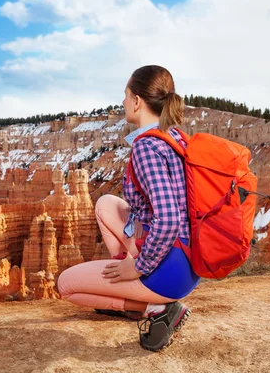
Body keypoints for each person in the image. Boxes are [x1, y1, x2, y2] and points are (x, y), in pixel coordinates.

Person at [57, 65, 200, 351]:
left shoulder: (147, 146)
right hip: (187, 260)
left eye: (126, 95)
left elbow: (169, 218)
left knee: (66, 285)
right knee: (105, 204)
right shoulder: (176, 138)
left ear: (137, 101)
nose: (122, 102)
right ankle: (131, 282)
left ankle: (155, 308)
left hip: (168, 271)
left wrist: (138, 267)